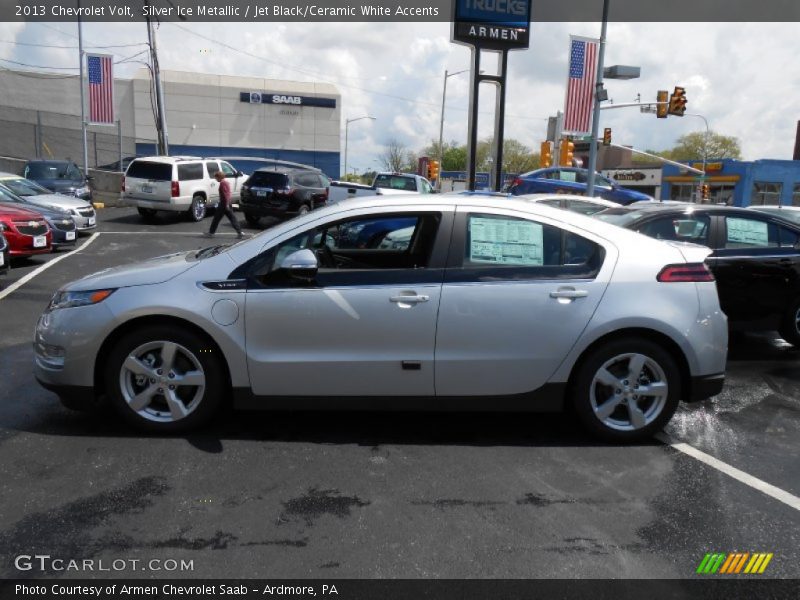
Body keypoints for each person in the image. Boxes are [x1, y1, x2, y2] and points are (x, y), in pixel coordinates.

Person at [205, 171, 243, 238]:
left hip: (223, 204)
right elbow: (228, 194)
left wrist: (226, 204)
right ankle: (239, 232)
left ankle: (211, 233)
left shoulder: (223, 183)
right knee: (232, 218)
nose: (216, 179)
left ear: (219, 177)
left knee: (216, 219)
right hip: (226, 203)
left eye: (216, 178)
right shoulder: (226, 182)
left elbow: (225, 195)